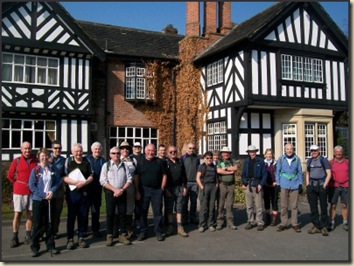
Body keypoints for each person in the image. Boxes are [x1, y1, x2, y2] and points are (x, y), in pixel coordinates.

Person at [28, 148, 61, 257]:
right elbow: (32, 186)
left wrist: (52, 191)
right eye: (42, 155)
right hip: (38, 200)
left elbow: (58, 182)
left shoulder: (52, 168)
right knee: (37, 225)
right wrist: (43, 195)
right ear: (38, 157)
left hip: (50, 200)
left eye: (46, 155)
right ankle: (35, 247)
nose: (44, 157)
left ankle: (51, 246)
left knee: (49, 224)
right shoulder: (35, 170)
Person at [7, 141, 37, 248]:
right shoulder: (17, 161)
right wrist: (17, 184)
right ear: (21, 149)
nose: (27, 151)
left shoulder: (35, 161)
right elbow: (10, 175)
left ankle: (28, 235)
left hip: (32, 192)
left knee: (30, 214)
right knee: (17, 214)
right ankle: (15, 236)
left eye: (29, 148)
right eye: (25, 149)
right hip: (19, 192)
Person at [100, 146, 132, 246]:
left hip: (122, 193)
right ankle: (109, 235)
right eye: (113, 153)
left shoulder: (124, 166)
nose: (116, 155)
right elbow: (103, 180)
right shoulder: (106, 165)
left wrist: (121, 190)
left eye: (118, 153)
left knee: (122, 214)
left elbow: (129, 179)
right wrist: (115, 190)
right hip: (110, 193)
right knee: (110, 214)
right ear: (110, 155)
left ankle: (122, 235)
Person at [63, 143, 94, 249]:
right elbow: (64, 177)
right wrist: (75, 183)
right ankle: (70, 239)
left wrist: (84, 183)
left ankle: (81, 237)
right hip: (72, 193)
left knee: (83, 216)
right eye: (76, 151)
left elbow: (91, 176)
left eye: (80, 151)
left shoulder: (87, 161)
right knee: (71, 216)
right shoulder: (68, 161)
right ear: (72, 152)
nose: (78, 153)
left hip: (84, 193)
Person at [135, 144, 167, 241]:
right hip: (144, 190)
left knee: (157, 212)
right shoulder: (140, 162)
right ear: (145, 151)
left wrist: (162, 188)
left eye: (152, 150)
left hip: (157, 190)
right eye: (149, 150)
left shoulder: (160, 162)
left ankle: (158, 232)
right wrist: (137, 191)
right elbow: (136, 177)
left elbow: (164, 175)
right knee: (143, 212)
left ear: (155, 151)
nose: (150, 152)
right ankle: (143, 232)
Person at [275, 144, 303, 233]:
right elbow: (278, 171)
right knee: (283, 205)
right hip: (284, 184)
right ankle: (283, 223)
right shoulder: (281, 159)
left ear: (293, 150)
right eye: (287, 149)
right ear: (285, 150)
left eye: (291, 149)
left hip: (294, 184)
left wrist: (300, 183)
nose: (289, 151)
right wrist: (278, 183)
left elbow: (300, 172)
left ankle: (294, 223)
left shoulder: (297, 159)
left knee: (294, 206)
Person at [306, 144, 331, 236]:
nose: (314, 152)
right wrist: (308, 185)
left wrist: (325, 185)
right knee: (313, 207)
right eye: (312, 151)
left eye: (315, 150)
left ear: (319, 150)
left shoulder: (323, 160)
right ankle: (316, 225)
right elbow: (308, 173)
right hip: (312, 186)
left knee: (323, 206)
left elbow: (329, 173)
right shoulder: (309, 160)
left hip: (321, 185)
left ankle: (324, 226)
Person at [241, 145, 267, 231]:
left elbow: (264, 174)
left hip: (257, 184)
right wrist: (244, 182)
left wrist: (261, 184)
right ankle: (250, 221)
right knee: (249, 206)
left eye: (253, 151)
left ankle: (259, 222)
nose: (252, 153)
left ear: (256, 152)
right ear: (248, 152)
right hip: (248, 184)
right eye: (250, 151)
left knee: (259, 206)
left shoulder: (260, 161)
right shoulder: (246, 161)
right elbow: (243, 173)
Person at [164, 145, 188, 237]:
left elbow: (184, 175)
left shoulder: (180, 162)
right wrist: (165, 189)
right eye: (171, 152)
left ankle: (179, 227)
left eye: (174, 151)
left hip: (179, 188)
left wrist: (185, 186)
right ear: (168, 153)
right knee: (169, 209)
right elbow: (163, 176)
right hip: (169, 188)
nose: (173, 153)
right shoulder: (165, 162)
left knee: (179, 208)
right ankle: (170, 226)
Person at [84, 142, 106, 237]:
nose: (97, 150)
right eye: (95, 149)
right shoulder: (86, 159)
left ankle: (95, 230)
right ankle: (84, 230)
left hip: (97, 189)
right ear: (92, 150)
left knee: (95, 210)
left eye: (99, 149)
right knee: (84, 210)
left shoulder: (103, 161)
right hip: (86, 188)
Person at [216, 147, 238, 230]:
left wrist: (225, 169)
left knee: (230, 205)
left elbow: (235, 168)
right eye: (224, 152)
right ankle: (220, 222)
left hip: (231, 185)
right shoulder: (219, 161)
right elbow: (219, 171)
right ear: (221, 153)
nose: (226, 154)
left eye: (227, 152)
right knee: (220, 205)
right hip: (222, 185)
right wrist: (230, 171)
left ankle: (230, 222)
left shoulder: (232, 161)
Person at [119, 141, 138, 238]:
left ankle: (128, 228)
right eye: (123, 148)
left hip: (130, 187)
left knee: (130, 208)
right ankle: (119, 229)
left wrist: (137, 190)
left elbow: (136, 176)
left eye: (127, 148)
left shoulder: (133, 161)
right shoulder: (116, 159)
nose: (125, 150)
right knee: (119, 208)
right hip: (119, 187)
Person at [328, 145, 349, 231]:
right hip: (334, 186)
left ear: (342, 153)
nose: (338, 154)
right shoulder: (330, 163)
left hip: (345, 185)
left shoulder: (347, 162)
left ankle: (345, 222)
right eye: (337, 153)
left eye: (340, 153)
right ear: (334, 153)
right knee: (333, 205)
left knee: (344, 205)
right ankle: (331, 222)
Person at [196, 151, 219, 232]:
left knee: (212, 207)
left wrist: (216, 185)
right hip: (205, 186)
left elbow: (216, 177)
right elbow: (197, 178)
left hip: (213, 187)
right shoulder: (201, 166)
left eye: (210, 158)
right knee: (204, 207)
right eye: (207, 158)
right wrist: (202, 187)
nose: (209, 159)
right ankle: (202, 225)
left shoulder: (214, 166)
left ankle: (210, 224)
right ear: (204, 159)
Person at [49, 140, 66, 239]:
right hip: (48, 189)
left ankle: (54, 232)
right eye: (55, 148)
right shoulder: (47, 158)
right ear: (52, 149)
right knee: (46, 213)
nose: (57, 150)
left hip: (59, 190)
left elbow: (64, 175)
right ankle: (45, 231)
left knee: (57, 212)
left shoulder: (63, 160)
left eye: (59, 148)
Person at [181, 142, 200, 225]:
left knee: (194, 202)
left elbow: (199, 170)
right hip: (186, 183)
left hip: (194, 183)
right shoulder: (183, 158)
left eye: (193, 148)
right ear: (187, 148)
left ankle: (192, 217)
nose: (191, 150)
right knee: (184, 202)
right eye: (190, 148)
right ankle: (184, 218)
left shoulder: (197, 158)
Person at [263, 148, 279, 226]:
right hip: (265, 185)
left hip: (274, 185)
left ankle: (274, 219)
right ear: (265, 155)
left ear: (272, 155)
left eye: (270, 154)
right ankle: (267, 219)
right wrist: (264, 182)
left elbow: (279, 173)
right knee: (266, 202)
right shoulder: (263, 163)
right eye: (267, 154)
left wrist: (276, 182)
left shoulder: (276, 163)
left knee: (274, 201)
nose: (269, 155)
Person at [131, 141, 144, 228]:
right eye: (135, 147)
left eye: (138, 147)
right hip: (131, 183)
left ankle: (138, 220)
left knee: (140, 204)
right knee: (130, 204)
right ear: (133, 148)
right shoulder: (130, 157)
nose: (137, 148)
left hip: (142, 183)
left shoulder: (144, 157)